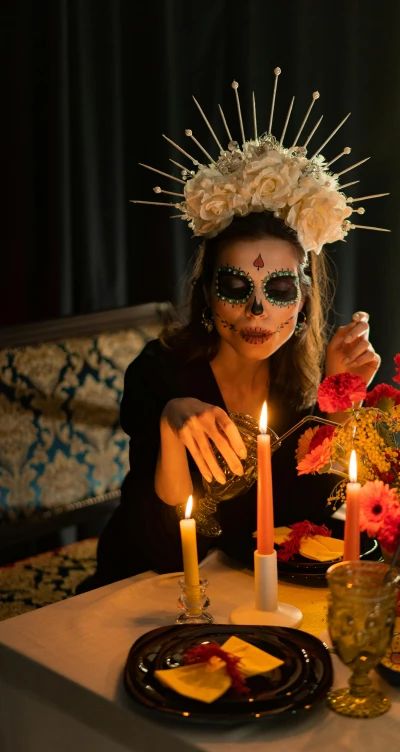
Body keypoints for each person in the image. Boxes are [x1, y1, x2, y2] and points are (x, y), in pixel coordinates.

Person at [81, 70, 383, 590]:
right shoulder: (159, 375)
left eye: (281, 289)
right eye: (235, 286)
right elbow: (156, 550)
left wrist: (338, 403)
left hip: (252, 593)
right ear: (205, 294)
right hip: (142, 595)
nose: (258, 309)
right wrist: (172, 426)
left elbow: (306, 525)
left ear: (305, 302)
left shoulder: (298, 380)